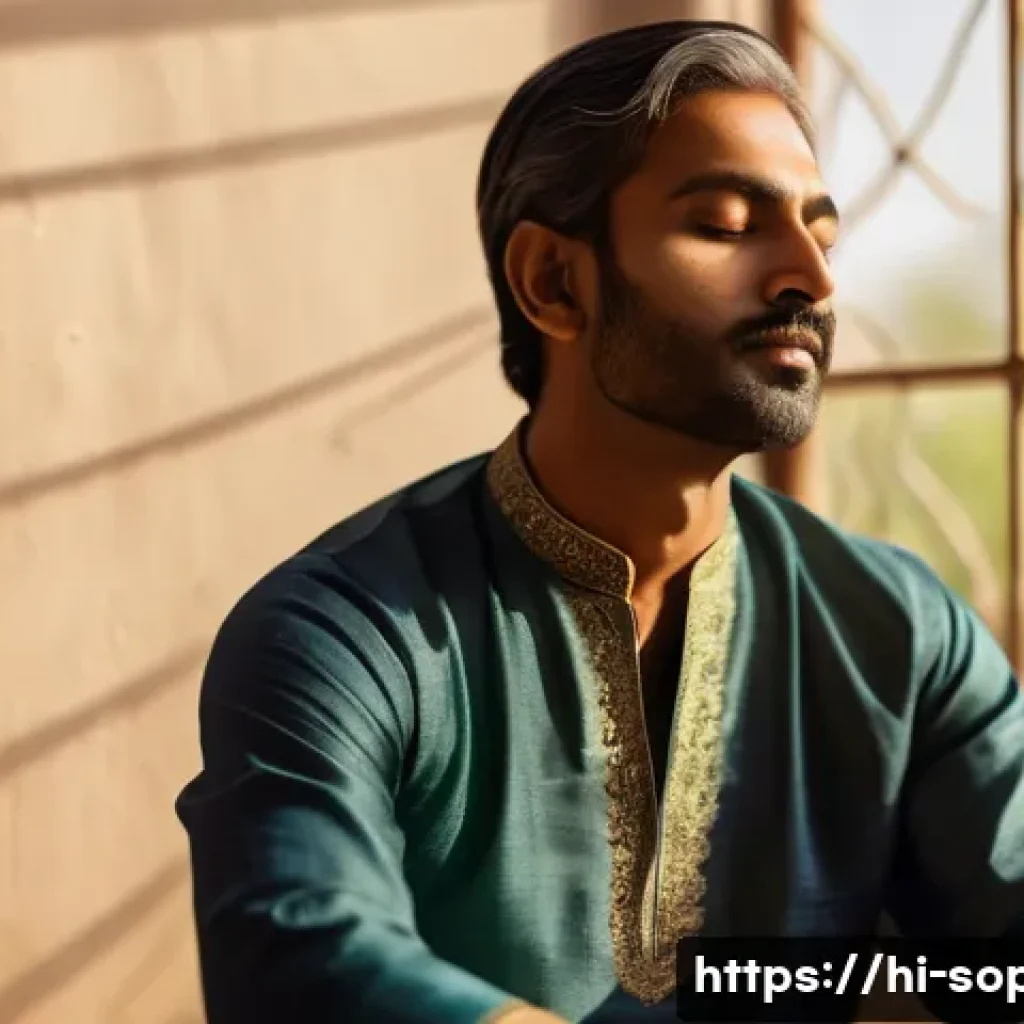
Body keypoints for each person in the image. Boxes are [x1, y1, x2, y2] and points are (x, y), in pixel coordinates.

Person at [175, 19, 1024, 1024]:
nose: (810, 276)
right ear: (554, 282)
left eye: (819, 234)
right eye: (722, 223)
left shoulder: (899, 629)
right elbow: (298, 955)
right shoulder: (344, 632)